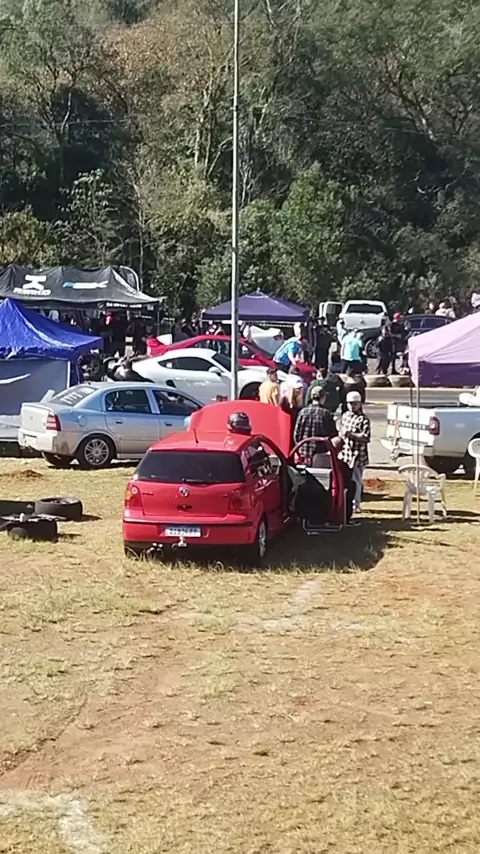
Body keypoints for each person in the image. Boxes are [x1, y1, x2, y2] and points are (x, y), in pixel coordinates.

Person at [339, 390, 371, 514]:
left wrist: (351, 434)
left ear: (360, 404)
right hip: (346, 453)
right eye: (350, 403)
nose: (352, 406)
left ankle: (356, 504)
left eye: (355, 404)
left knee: (356, 480)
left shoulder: (363, 419)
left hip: (358, 455)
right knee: (346, 479)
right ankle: (347, 501)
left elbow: (366, 437)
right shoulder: (345, 416)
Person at [293, 386, 337, 464]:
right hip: (320, 455)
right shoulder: (326, 414)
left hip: (303, 454)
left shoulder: (302, 412)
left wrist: (299, 448)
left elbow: (296, 434)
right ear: (323, 398)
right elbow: (332, 435)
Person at [331, 436, 358, 526]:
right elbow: (348, 476)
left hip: (320, 486)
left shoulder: (317, 457)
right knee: (352, 485)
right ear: (340, 449)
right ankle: (346, 516)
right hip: (335, 488)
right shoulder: (340, 464)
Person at [279, 374, 304, 445]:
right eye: (297, 388)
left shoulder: (298, 400)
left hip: (295, 430)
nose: (299, 390)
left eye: (300, 388)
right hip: (286, 431)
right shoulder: (284, 401)